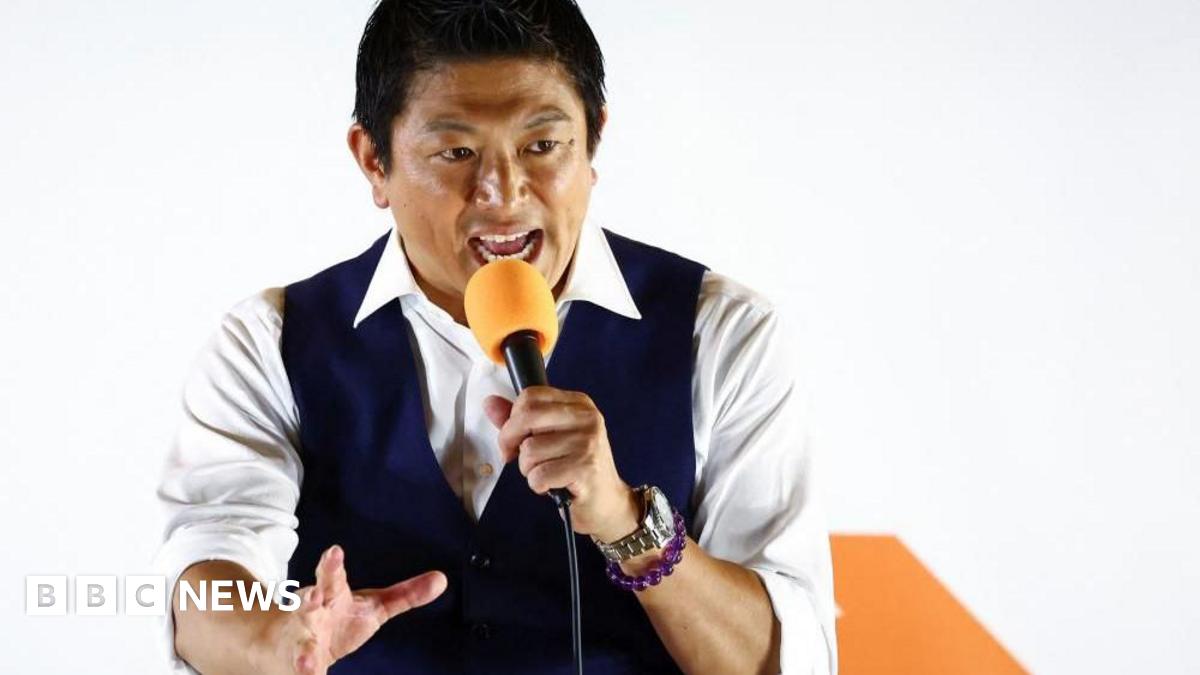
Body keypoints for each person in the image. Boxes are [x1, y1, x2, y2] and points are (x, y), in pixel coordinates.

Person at [154, 1, 837, 673]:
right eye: (456, 152)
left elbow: (783, 661)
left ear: (593, 141)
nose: (504, 192)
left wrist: (628, 523)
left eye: (542, 146)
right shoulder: (272, 342)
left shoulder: (720, 332)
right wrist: (273, 643)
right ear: (374, 161)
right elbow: (207, 572)